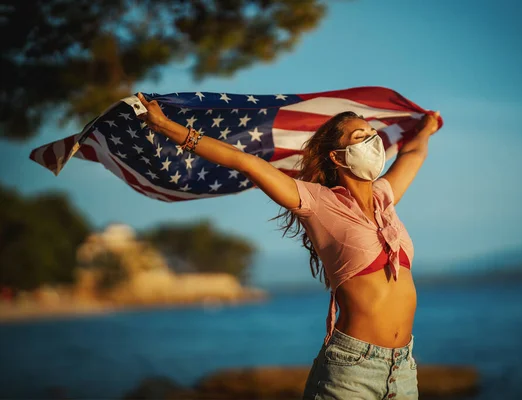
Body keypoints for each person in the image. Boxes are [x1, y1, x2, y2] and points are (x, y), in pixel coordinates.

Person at [135, 92, 440, 399]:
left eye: (373, 135)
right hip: (352, 370)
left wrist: (425, 128)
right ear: (337, 156)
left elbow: (413, 154)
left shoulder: (384, 197)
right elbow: (246, 162)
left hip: (403, 369)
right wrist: (163, 126)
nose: (373, 142)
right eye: (361, 136)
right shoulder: (316, 202)